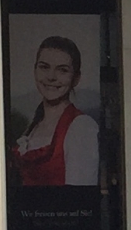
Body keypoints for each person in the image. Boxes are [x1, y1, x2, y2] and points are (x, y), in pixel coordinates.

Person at [15, 35, 99, 186]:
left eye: (62, 70)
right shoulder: (33, 126)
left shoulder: (81, 127)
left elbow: (80, 196)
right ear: (35, 70)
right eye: (44, 67)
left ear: (76, 78)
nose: (51, 77)